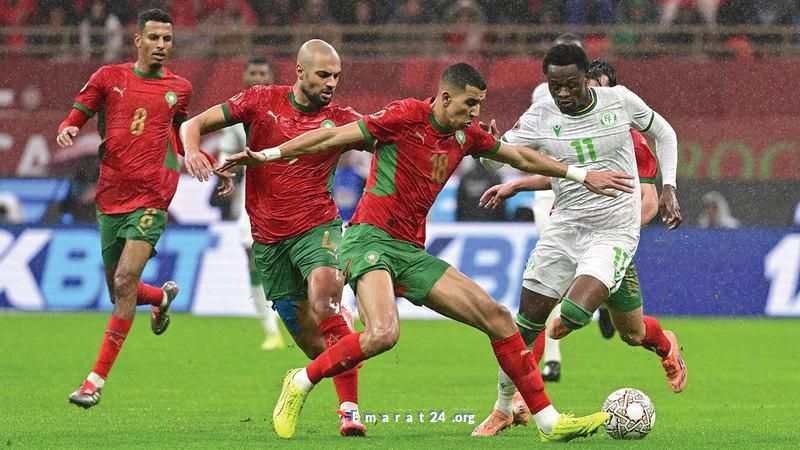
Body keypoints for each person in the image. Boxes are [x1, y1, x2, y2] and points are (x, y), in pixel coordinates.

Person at [220, 62, 635, 441]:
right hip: (369, 240)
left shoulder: (467, 135)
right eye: (469, 104)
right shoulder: (403, 116)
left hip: (410, 252)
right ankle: (300, 382)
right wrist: (269, 154)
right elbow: (332, 136)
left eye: (480, 104)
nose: (475, 113)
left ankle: (548, 422)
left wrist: (581, 174)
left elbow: (520, 157)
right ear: (445, 97)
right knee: (384, 334)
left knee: (498, 317)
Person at [472, 44, 685, 436]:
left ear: (586, 79)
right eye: (555, 86)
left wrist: (668, 187)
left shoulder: (620, 103)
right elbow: (495, 159)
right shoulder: (540, 115)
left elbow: (665, 134)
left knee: (569, 317)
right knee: (524, 328)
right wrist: (489, 145)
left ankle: (641, 336)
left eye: (571, 84)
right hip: (564, 229)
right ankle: (503, 408)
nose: (563, 93)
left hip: (614, 232)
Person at [181, 40, 368, 437]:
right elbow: (191, 124)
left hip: (319, 227)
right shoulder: (260, 101)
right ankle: (339, 335)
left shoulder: (341, 120)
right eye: (323, 75)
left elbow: (394, 139)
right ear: (300, 71)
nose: (331, 83)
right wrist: (192, 151)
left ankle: (349, 412)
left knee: (325, 302)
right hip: (268, 239)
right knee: (320, 349)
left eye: (336, 76)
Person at [56, 9, 229, 409]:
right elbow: (78, 112)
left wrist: (202, 157)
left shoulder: (179, 88)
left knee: (124, 280)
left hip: (153, 194)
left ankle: (94, 382)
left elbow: (180, 132)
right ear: (137, 40)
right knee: (118, 289)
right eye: (154, 38)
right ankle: (161, 299)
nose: (161, 45)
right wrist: (68, 126)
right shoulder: (108, 77)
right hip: (111, 195)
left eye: (167, 39)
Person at [525, 34, 619, 383]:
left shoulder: (599, 95)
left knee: (589, 266)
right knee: (554, 281)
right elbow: (535, 146)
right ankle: (552, 359)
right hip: (553, 195)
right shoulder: (542, 94)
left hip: (594, 191)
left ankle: (603, 300)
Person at [216, 56, 285, 351]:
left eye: (262, 73)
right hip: (253, 193)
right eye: (253, 73)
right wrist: (225, 170)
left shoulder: (286, 107)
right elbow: (226, 152)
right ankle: (271, 329)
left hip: (289, 190)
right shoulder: (235, 112)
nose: (257, 78)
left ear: (271, 78)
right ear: (244, 77)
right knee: (253, 255)